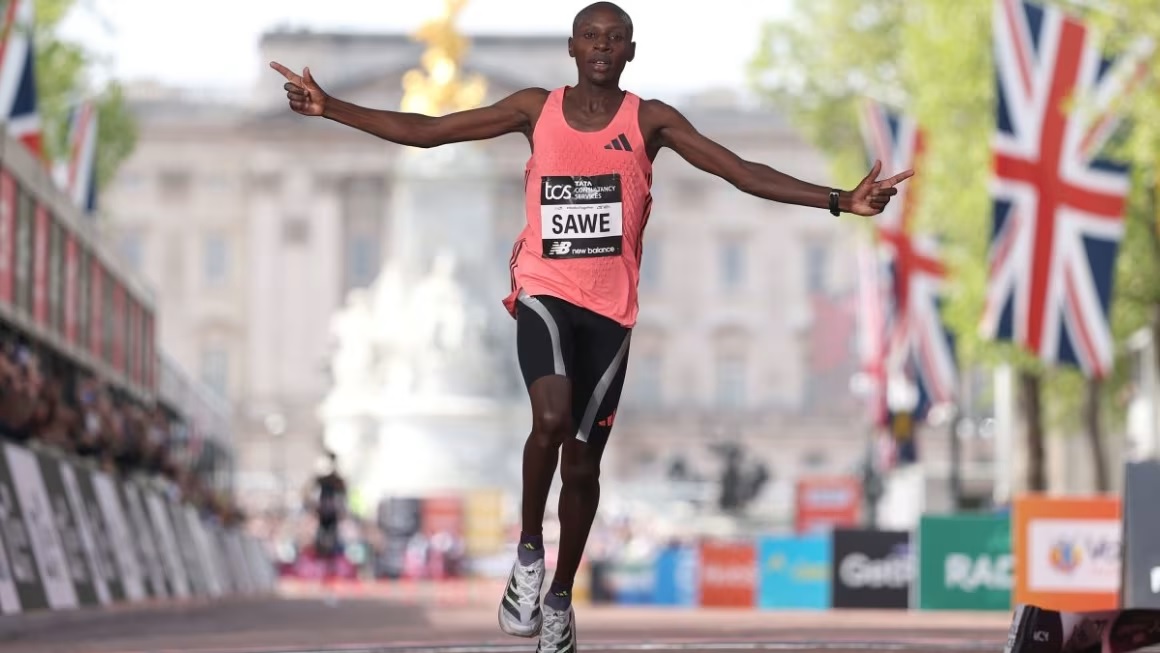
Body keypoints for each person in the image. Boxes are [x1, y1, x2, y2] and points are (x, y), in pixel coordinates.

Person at [271, 2, 912, 649]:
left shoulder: (650, 120)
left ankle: (558, 596)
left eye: (615, 38)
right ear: (572, 48)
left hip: (609, 312)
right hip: (544, 292)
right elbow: (430, 131)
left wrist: (839, 200)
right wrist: (332, 108)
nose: (602, 46)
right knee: (549, 419)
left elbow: (739, 171)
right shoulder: (534, 108)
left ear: (630, 51)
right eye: (590, 37)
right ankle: (528, 554)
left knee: (582, 467)